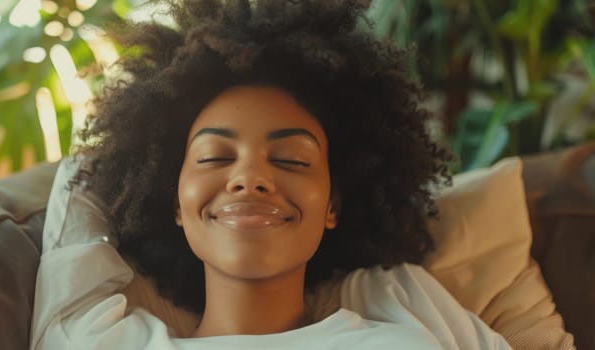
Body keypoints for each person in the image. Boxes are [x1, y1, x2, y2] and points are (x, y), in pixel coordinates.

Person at [31, 0, 512, 348]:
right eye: (214, 157)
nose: (250, 178)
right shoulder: (101, 341)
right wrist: (127, 150)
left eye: (292, 160)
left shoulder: (395, 296)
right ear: (174, 201)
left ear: (333, 205)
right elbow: (80, 177)